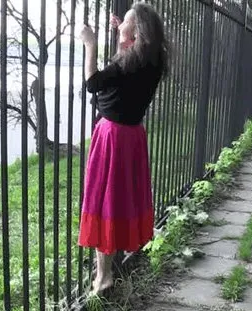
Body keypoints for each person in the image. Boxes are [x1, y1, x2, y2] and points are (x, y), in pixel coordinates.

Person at [78, 3, 168, 294]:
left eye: (126, 22)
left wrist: (90, 44)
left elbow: (93, 82)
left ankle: (103, 278)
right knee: (119, 200)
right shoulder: (152, 61)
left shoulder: (125, 63)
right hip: (132, 136)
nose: (120, 26)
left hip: (112, 137)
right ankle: (111, 263)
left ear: (137, 32)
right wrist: (123, 31)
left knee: (105, 201)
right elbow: (123, 71)